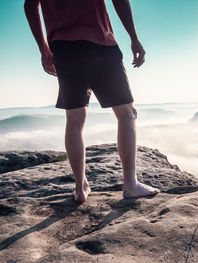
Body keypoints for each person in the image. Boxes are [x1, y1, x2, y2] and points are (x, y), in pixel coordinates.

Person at [24, 0, 160, 202]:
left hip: (63, 49)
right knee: (127, 113)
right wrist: (134, 38)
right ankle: (130, 183)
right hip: (99, 43)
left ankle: (80, 188)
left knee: (74, 119)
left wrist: (44, 49)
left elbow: (30, 5)